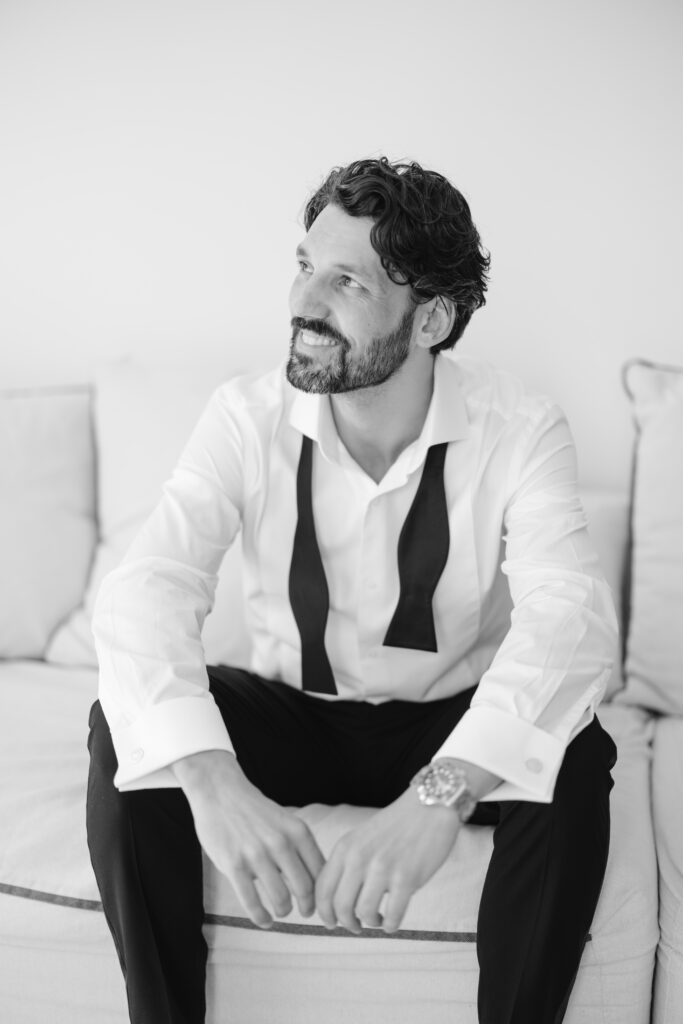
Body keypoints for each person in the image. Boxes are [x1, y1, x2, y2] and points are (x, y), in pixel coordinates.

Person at [86, 156, 618, 1024]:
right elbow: (146, 590)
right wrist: (214, 783)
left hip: (445, 721)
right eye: (303, 267)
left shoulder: (519, 428)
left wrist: (438, 795)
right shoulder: (242, 416)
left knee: (576, 752)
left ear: (431, 319)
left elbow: (571, 625)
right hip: (292, 713)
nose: (303, 303)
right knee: (131, 724)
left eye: (345, 282)